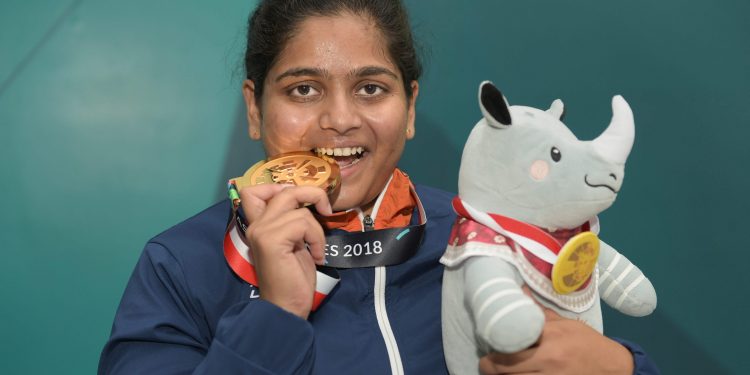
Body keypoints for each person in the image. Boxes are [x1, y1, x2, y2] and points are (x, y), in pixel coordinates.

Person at [98, 1, 660, 374]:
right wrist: (274, 316)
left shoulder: (487, 240)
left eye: (370, 88)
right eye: (302, 90)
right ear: (254, 107)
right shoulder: (179, 264)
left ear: (410, 108)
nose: (340, 119)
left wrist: (623, 367)